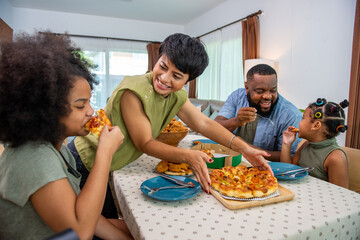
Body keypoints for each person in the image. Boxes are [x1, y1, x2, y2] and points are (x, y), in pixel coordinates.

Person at [68, 33, 273, 212]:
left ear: (188, 80)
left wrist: (245, 149)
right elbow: (145, 143)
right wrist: (188, 156)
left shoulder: (177, 96)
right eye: (162, 67)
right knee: (92, 225)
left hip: (111, 164)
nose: (165, 79)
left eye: (176, 76)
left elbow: (205, 124)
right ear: (157, 60)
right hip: (86, 161)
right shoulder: (133, 91)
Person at [0, 32, 132, 239]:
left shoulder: (60, 149)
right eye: (80, 105)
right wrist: (105, 152)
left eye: (89, 102)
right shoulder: (33, 157)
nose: (91, 111)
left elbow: (89, 215)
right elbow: (81, 232)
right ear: (46, 110)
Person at [215, 64, 303, 161]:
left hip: (266, 170)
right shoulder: (237, 96)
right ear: (247, 87)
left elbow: (289, 157)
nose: (267, 96)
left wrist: (242, 147)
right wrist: (236, 121)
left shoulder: (291, 115)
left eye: (273, 90)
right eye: (260, 91)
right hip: (230, 162)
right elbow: (214, 127)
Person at [280, 98, 349, 188]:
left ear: (316, 125)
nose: (299, 122)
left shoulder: (335, 157)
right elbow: (288, 171)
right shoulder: (306, 145)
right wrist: (286, 144)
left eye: (303, 118)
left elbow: (341, 195)